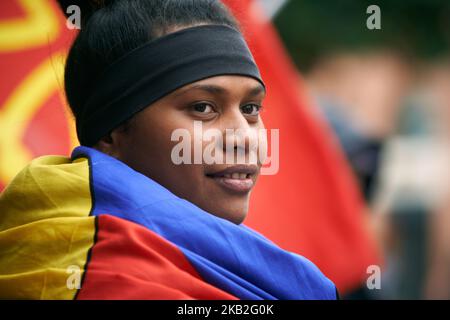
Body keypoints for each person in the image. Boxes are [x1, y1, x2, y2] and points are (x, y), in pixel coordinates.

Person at [0, 0, 337, 299]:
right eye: (203, 108)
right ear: (114, 132)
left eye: (251, 109)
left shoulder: (250, 271)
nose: (242, 138)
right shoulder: (103, 279)